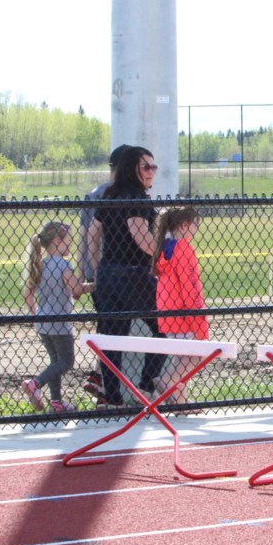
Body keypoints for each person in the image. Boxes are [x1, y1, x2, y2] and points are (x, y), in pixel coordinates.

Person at [88, 145, 168, 408]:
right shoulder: (138, 198)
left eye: (154, 167)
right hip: (134, 274)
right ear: (131, 168)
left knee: (113, 339)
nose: (151, 172)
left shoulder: (111, 195)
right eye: (146, 166)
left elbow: (92, 235)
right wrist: (163, 257)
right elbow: (139, 233)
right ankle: (144, 387)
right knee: (163, 328)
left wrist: (100, 267)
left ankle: (113, 398)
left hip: (109, 275)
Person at [21, 222, 95, 413]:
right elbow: (76, 290)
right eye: (68, 242)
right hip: (60, 323)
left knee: (55, 362)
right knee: (66, 362)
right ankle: (35, 383)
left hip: (43, 322)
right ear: (57, 241)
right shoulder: (63, 265)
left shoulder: (40, 264)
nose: (70, 246)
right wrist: (94, 285)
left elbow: (27, 293)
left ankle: (56, 403)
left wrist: (36, 313)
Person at [77, 144, 129, 402]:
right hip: (113, 271)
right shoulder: (116, 194)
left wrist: (83, 272)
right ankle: (105, 386)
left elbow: (82, 238)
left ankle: (100, 382)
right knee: (115, 332)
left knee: (108, 328)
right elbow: (93, 237)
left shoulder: (94, 193)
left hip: (97, 273)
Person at [152, 206, 208, 408]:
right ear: (185, 225)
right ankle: (167, 381)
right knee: (198, 353)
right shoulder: (183, 248)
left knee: (182, 359)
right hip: (184, 315)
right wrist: (199, 320)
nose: (195, 230)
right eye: (195, 225)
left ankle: (181, 404)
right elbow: (190, 288)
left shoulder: (165, 247)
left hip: (167, 314)